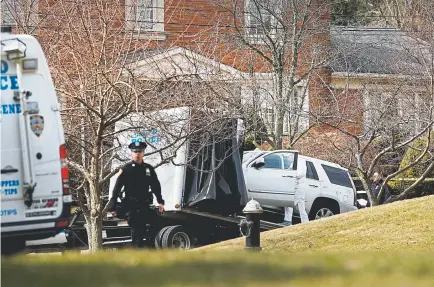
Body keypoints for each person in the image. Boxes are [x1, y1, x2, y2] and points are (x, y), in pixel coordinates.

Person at [103, 141, 165, 248]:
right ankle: (136, 254)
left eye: (140, 151)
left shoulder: (148, 169)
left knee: (154, 227)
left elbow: (156, 186)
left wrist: (160, 202)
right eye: (135, 151)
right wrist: (112, 205)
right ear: (132, 153)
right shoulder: (126, 169)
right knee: (137, 232)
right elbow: (117, 188)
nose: (137, 153)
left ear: (143, 153)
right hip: (131, 206)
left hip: (145, 204)